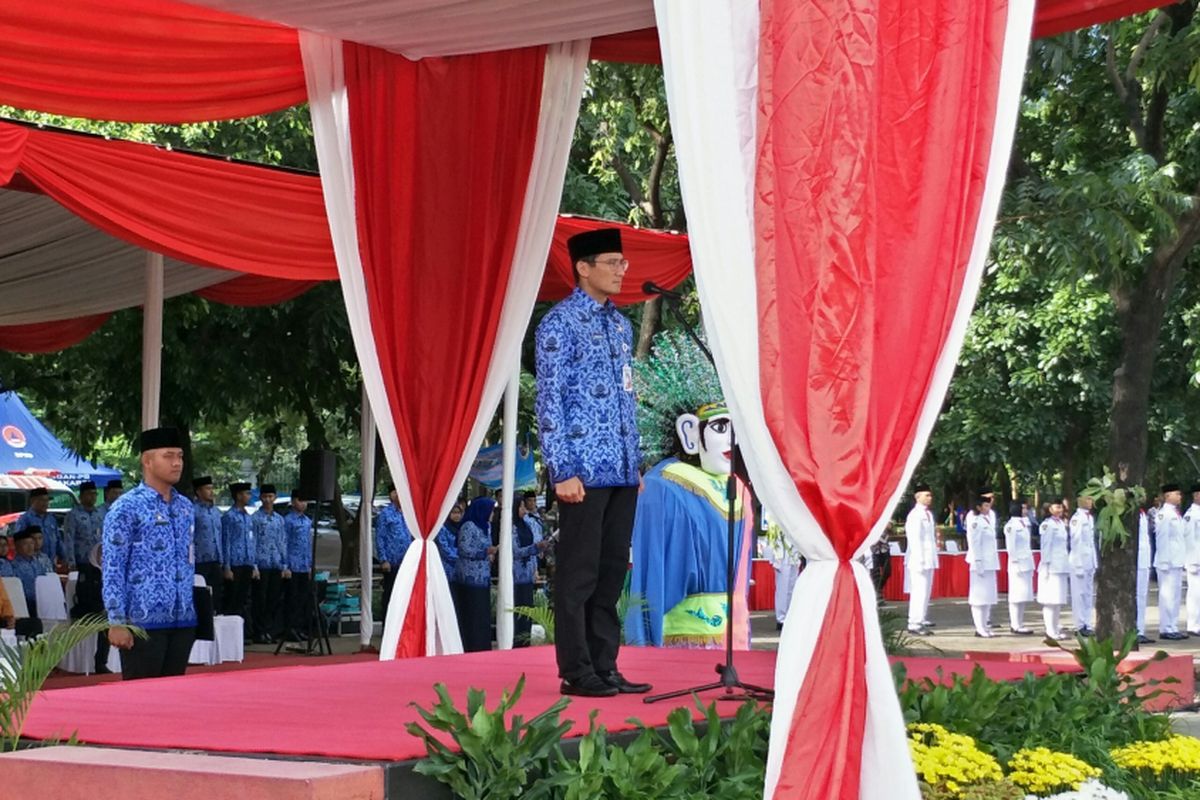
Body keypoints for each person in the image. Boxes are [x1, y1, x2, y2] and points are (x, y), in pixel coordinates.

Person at [535, 227, 649, 698]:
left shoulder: (620, 326)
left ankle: (605, 664)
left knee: (609, 574)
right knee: (579, 574)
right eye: (612, 262)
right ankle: (576, 670)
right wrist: (562, 469)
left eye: (623, 263)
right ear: (583, 267)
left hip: (621, 468)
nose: (622, 271)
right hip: (581, 470)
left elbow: (626, 398)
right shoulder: (559, 325)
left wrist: (635, 462)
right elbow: (550, 401)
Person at [102, 427, 197, 680]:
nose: (177, 463)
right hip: (141, 622)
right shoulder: (127, 507)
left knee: (176, 701)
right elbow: (113, 567)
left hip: (182, 620)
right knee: (143, 704)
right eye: (168, 456)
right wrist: (116, 620)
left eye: (180, 456)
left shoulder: (186, 507)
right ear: (147, 460)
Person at [455, 497, 497, 652]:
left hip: (483, 576)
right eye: (491, 510)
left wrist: (490, 554)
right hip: (470, 577)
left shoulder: (486, 526)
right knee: (472, 612)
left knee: (482, 613)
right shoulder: (469, 526)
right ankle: (471, 644)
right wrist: (485, 552)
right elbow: (464, 549)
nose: (493, 514)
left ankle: (482, 644)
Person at [251, 484, 286, 644]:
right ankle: (259, 631)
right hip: (261, 562)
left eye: (270, 496)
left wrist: (285, 564)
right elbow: (253, 542)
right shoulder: (256, 518)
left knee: (273, 598)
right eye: (265, 496)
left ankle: (270, 630)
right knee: (260, 599)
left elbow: (282, 542)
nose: (267, 500)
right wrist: (254, 565)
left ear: (275, 498)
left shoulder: (279, 519)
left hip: (276, 563)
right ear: (260, 497)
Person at [221, 482, 258, 633]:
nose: (249, 496)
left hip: (247, 561)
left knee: (244, 599)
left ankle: (243, 632)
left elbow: (252, 540)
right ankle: (230, 632)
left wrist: (254, 564)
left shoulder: (248, 517)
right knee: (233, 599)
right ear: (238, 495)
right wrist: (227, 566)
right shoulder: (229, 516)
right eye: (246, 493)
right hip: (235, 562)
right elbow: (226, 541)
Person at [375, 484, 414, 626]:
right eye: (395, 492)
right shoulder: (386, 514)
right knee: (390, 594)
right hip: (391, 562)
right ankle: (388, 624)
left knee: (404, 595)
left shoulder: (408, 513)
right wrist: (383, 559)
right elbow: (380, 537)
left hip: (406, 561)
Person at [904, 484, 938, 636]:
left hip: (929, 557)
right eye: (926, 495)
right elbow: (914, 539)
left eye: (930, 495)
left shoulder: (928, 514)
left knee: (926, 591)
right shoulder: (915, 515)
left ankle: (922, 618)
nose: (929, 498)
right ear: (917, 497)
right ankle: (914, 622)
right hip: (919, 559)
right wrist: (920, 559)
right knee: (919, 591)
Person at [72, 542, 111, 673]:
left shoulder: (112, 571)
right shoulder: (87, 571)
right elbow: (85, 596)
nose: (104, 557)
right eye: (101, 554)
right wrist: (101, 608)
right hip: (87, 610)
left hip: (107, 610)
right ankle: (100, 662)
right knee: (106, 622)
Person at [1155, 483, 1187, 640]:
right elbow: (1162, 538)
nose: (1180, 497)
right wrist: (1164, 561)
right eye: (1177, 494)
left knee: (1175, 596)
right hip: (1166, 561)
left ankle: (1173, 626)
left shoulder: (1176, 513)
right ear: (1168, 496)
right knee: (1167, 595)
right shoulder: (1164, 514)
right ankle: (1165, 628)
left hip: (1176, 560)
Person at [511, 501, 545, 647]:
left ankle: (525, 641)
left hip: (528, 574)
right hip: (516, 574)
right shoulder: (511, 527)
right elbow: (515, 551)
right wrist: (533, 548)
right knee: (517, 609)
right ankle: (517, 641)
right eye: (521, 507)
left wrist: (538, 550)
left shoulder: (526, 524)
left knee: (527, 610)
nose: (524, 511)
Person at [966, 495, 999, 637]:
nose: (988, 508)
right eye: (985, 506)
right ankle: (979, 627)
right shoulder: (976, 522)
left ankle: (985, 625)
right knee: (979, 597)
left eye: (988, 505)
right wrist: (978, 561)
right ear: (978, 507)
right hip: (980, 562)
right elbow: (975, 543)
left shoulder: (987, 520)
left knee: (988, 596)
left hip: (990, 562)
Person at [282, 489, 313, 641]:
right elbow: (284, 543)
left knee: (303, 599)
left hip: (303, 565)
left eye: (305, 501)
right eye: (300, 500)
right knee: (292, 599)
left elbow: (308, 544)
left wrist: (309, 565)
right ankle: (290, 628)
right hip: (292, 565)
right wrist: (285, 565)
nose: (303, 504)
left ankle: (300, 627)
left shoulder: (307, 521)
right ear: (293, 501)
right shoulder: (288, 520)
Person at [1037, 499, 1070, 639]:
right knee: (1050, 600)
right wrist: (1046, 565)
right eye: (1057, 507)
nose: (1060, 509)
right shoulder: (1047, 525)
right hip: (1051, 566)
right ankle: (1050, 630)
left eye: (1061, 507)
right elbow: (1046, 547)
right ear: (1049, 508)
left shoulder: (1061, 523)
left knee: (1058, 599)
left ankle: (1055, 628)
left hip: (1061, 564)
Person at [191, 476, 224, 612]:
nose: (211, 492)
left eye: (212, 488)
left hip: (215, 559)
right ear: (199, 491)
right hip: (200, 560)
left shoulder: (216, 512)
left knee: (217, 595)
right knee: (202, 595)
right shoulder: (193, 511)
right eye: (208, 489)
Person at [1004, 500, 1035, 635]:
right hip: (1017, 564)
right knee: (1016, 595)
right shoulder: (1011, 526)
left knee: (1023, 595)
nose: (1025, 511)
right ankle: (1015, 624)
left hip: (1026, 561)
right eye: (1023, 508)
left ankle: (1020, 622)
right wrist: (1015, 561)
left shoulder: (1024, 523)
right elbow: (1010, 546)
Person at [14, 487, 64, 566]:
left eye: (47, 500)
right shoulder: (25, 519)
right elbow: (19, 542)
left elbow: (58, 540)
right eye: (42, 500)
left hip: (50, 563)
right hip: (32, 563)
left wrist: (64, 557)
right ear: (33, 501)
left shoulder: (51, 519)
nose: (45, 503)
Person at [64, 480, 104, 570]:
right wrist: (71, 561)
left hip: (98, 560)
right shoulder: (73, 515)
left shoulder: (100, 514)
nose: (93, 497)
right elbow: (69, 539)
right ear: (81, 496)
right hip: (81, 560)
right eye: (89, 494)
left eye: (95, 494)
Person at [10, 527, 50, 614]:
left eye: (31, 543)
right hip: (24, 603)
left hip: (41, 601)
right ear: (16, 546)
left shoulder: (38, 563)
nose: (30, 547)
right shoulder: (13, 566)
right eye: (25, 544)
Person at [1136, 505, 1154, 644]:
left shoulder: (1142, 513)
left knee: (1142, 597)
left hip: (1144, 559)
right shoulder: (1129, 513)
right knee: (1136, 596)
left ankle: (1140, 629)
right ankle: (1135, 630)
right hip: (1135, 560)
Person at [1184, 483, 1200, 636]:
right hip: (1196, 560)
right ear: (1196, 496)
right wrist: (1192, 560)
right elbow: (1189, 539)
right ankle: (1193, 624)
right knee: (1195, 593)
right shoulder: (1191, 514)